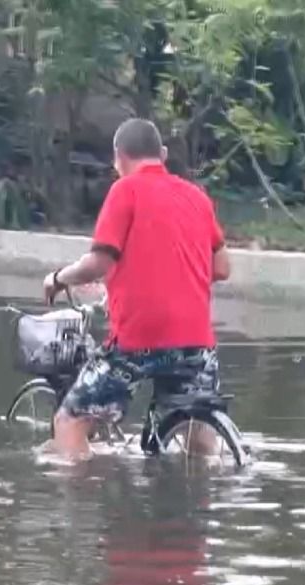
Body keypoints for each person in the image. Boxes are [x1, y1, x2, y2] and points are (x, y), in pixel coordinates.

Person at [42, 118, 231, 461]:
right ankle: (210, 481)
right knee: (197, 435)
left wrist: (58, 278)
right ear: (163, 154)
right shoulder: (197, 197)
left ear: (118, 156)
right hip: (197, 342)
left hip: (139, 340)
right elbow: (222, 268)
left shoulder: (125, 190)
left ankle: (78, 491)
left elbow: (98, 263)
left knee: (69, 421)